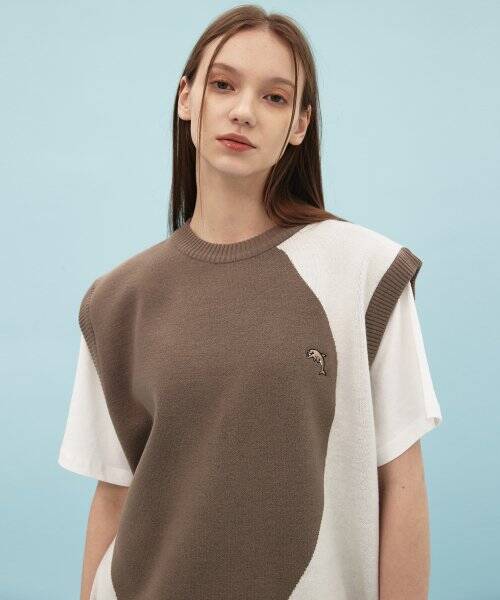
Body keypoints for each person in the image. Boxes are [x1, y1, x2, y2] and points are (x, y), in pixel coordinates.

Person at [58, 5, 443, 600]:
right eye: (223, 85)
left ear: (299, 124)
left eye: (274, 97)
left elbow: (402, 482)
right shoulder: (116, 300)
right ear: (186, 98)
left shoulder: (365, 272)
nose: (243, 110)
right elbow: (113, 498)